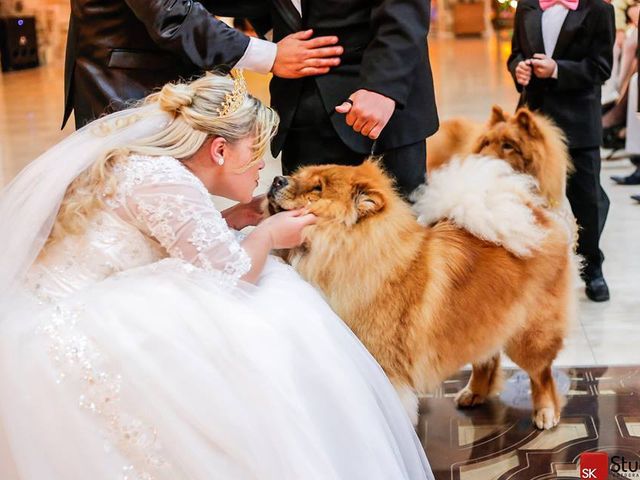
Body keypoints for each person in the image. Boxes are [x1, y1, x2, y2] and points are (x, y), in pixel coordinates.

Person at [0, 72, 434, 479]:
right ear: (220, 150)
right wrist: (267, 233)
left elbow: (174, 236)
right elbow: (232, 274)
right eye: (254, 153)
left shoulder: (152, 167)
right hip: (69, 332)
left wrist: (227, 221)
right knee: (270, 302)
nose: (262, 167)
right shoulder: (164, 179)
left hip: (69, 302)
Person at [63, 0, 343, 128]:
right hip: (125, 90)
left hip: (161, 82)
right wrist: (270, 56)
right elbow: (171, 14)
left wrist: (277, 30)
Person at [261, 0, 439, 198]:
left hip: (378, 107)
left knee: (393, 221)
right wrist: (271, 41)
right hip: (299, 106)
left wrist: (382, 86)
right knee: (305, 222)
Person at [508, 0, 615, 302]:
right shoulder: (527, 6)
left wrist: (557, 70)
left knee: (587, 199)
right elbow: (516, 53)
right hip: (533, 122)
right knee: (530, 197)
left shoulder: (599, 10)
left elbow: (600, 67)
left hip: (578, 118)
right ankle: (535, 269)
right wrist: (519, 69)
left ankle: (593, 267)